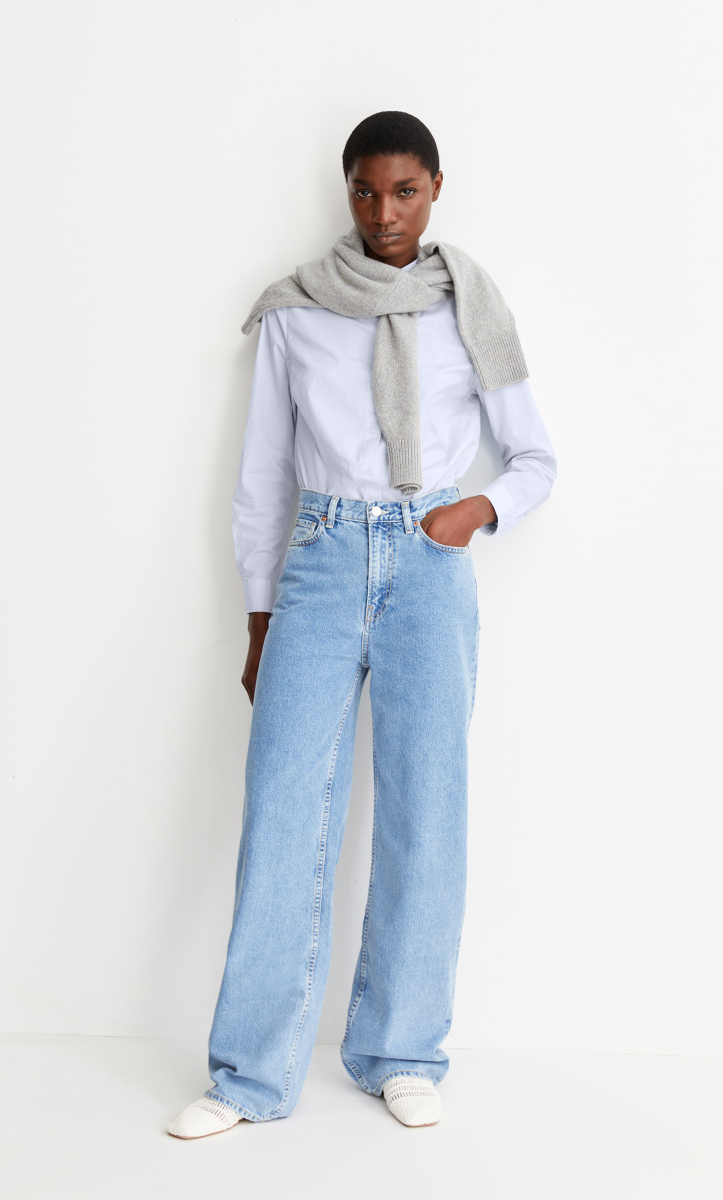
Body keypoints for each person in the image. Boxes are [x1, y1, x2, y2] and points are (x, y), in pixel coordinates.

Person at [166, 110, 557, 1139]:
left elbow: (535, 460)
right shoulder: (296, 310)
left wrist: (473, 512)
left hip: (430, 565)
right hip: (321, 559)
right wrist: (259, 621)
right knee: (282, 812)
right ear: (346, 191)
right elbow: (262, 477)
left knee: (426, 810)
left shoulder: (470, 307)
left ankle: (400, 1051)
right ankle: (248, 1075)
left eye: (404, 191)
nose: (384, 212)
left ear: (435, 189)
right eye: (365, 190)